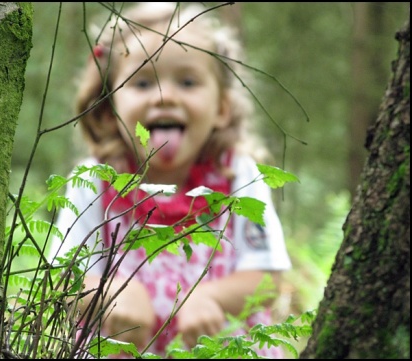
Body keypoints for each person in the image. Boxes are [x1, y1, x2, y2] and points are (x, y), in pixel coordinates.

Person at [49, 2, 292, 358]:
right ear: (107, 109)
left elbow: (268, 278)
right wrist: (109, 292)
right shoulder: (94, 181)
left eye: (188, 81)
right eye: (143, 82)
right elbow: (62, 282)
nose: (164, 97)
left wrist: (211, 297)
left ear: (222, 107)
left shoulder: (239, 176)